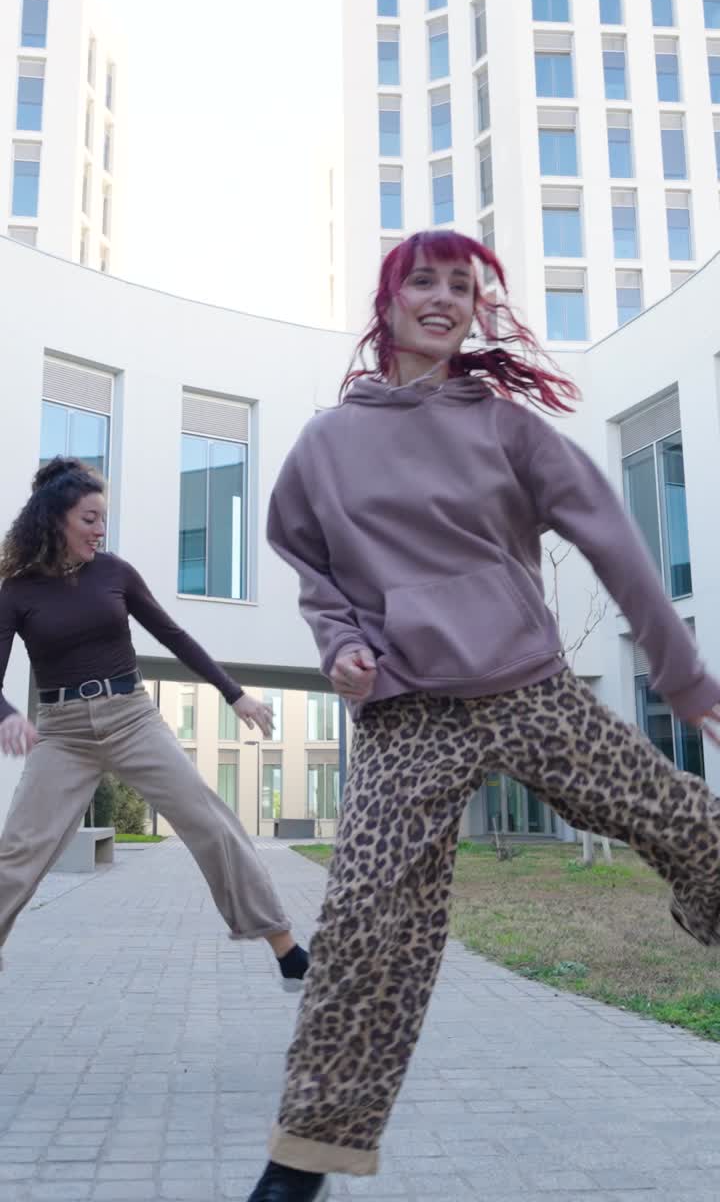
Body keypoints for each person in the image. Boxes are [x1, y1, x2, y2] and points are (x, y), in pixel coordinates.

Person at [246, 229, 720, 1201]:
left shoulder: (506, 427)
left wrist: (681, 674)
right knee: (367, 928)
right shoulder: (325, 445)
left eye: (463, 287)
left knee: (685, 821)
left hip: (528, 687)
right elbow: (314, 569)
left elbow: (615, 537)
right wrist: (340, 644)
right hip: (408, 714)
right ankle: (304, 1163)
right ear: (386, 302)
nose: (446, 297)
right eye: (425, 280)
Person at [0, 456, 309, 991]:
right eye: (89, 519)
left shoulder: (115, 573)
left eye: (103, 519)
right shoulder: (17, 590)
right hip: (63, 732)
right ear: (56, 519)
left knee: (211, 823)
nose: (101, 530)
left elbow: (174, 636)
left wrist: (235, 695)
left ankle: (285, 949)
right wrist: (8, 716)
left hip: (132, 719)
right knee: (20, 850)